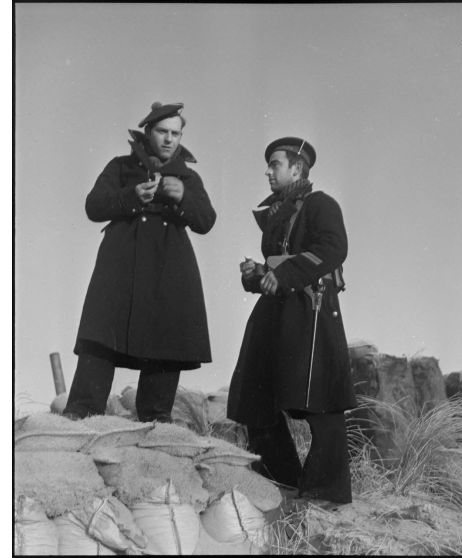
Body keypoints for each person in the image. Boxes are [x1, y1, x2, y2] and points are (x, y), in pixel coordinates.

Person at [63, 101, 216, 422]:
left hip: (169, 270)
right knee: (101, 336)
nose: (169, 139)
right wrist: (132, 196)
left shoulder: (188, 177)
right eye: (162, 131)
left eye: (175, 133)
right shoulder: (120, 167)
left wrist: (183, 197)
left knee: (166, 342)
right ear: (148, 132)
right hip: (120, 267)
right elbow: (94, 206)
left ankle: (155, 423)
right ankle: (81, 414)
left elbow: (206, 221)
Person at [227, 137, 357, 504]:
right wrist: (257, 273)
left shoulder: (321, 204)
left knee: (321, 402)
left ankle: (325, 491)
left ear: (297, 169)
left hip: (311, 310)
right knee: (254, 395)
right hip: (277, 312)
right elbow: (278, 265)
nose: (268, 172)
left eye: (275, 164)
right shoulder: (278, 212)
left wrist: (284, 273)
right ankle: (279, 478)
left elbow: (333, 248)